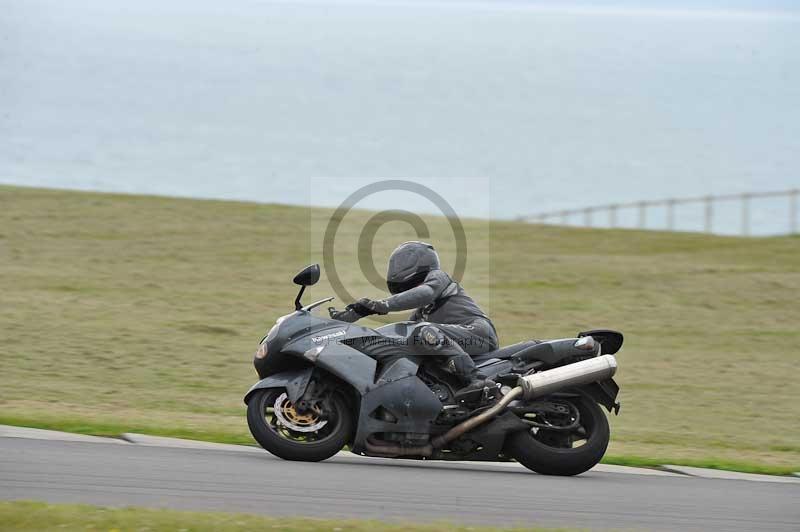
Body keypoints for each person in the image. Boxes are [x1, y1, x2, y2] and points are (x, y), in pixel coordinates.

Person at [330, 241, 499, 396]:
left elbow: (424, 294)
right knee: (411, 338)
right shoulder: (422, 312)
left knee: (423, 332)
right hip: (456, 341)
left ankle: (479, 381)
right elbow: (402, 333)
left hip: (479, 334)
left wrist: (380, 305)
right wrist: (351, 323)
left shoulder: (439, 277)